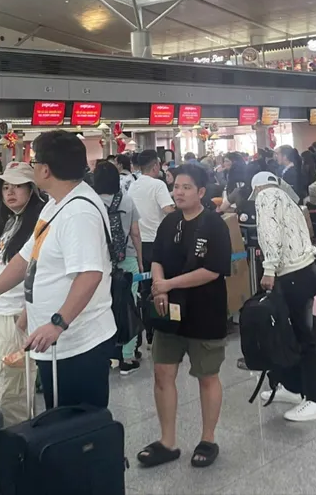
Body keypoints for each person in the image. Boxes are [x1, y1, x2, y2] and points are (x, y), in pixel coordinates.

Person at [0, 130, 116, 409]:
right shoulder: (55, 205)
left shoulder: (79, 213)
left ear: (45, 169)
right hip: (55, 342)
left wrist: (58, 323)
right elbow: (24, 258)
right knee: (59, 420)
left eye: (34, 161)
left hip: (78, 342)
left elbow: (90, 275)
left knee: (79, 424)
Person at [137, 163, 231, 469]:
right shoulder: (169, 222)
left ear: (201, 192)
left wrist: (169, 284)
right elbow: (157, 259)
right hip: (168, 313)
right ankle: (167, 441)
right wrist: (159, 288)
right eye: (176, 186)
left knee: (207, 376)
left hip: (205, 311)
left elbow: (213, 270)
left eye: (186, 187)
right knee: (162, 374)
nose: (178, 192)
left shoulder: (214, 225)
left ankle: (208, 439)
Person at [249, 172, 316, 422]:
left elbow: (270, 233)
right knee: (291, 334)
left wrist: (269, 269)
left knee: (302, 336)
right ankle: (294, 388)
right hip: (305, 270)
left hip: (292, 274)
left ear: (257, 188)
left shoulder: (266, 197)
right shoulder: (287, 198)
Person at [0, 162, 44, 426]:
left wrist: (26, 317)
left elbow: (41, 273)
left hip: (15, 316)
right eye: (6, 187)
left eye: (17, 186)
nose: (10, 192)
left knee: (14, 390)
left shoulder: (38, 227)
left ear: (32, 190)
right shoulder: (7, 223)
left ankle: (17, 441)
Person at [93, 161, 144, 375]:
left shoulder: (91, 202)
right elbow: (135, 233)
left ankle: (106, 356)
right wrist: (140, 261)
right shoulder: (127, 199)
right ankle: (127, 357)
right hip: (127, 260)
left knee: (102, 309)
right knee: (128, 307)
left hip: (100, 263)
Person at [128, 150, 176, 343]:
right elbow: (168, 210)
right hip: (158, 242)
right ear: (156, 166)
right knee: (163, 287)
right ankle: (165, 328)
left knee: (146, 290)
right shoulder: (158, 185)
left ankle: (149, 332)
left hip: (140, 244)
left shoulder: (133, 185)